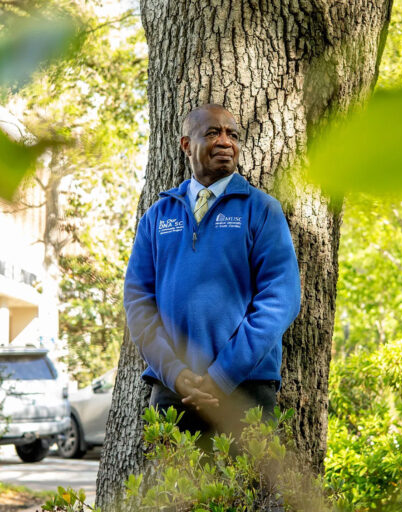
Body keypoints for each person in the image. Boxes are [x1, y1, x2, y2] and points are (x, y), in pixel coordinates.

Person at [123, 103, 301, 442]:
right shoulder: (158, 216)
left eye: (232, 135)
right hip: (174, 394)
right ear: (186, 145)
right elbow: (137, 303)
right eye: (212, 133)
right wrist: (175, 374)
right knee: (174, 496)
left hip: (245, 390)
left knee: (246, 495)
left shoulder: (261, 210)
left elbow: (281, 299)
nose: (225, 141)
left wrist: (221, 375)